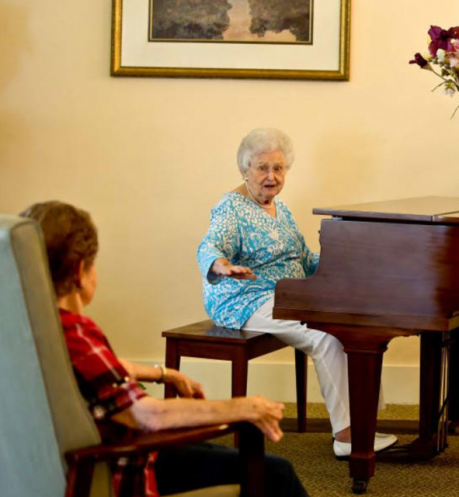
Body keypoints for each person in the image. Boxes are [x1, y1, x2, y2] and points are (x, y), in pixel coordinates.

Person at [20, 201, 308, 497]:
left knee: (204, 448)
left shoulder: (29, 328)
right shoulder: (75, 334)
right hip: (120, 465)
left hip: (78, 461)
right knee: (277, 472)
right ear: (80, 270)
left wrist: (163, 374)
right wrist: (244, 407)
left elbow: (98, 371)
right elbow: (148, 415)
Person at [197, 127, 397, 458]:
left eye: (278, 168)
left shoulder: (282, 209)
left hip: (289, 294)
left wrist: (348, 263)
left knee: (355, 324)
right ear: (245, 169)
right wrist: (221, 265)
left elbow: (304, 259)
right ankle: (347, 437)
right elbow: (210, 245)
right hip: (245, 299)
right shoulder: (230, 208)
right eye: (263, 168)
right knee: (325, 335)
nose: (271, 176)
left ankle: (364, 422)